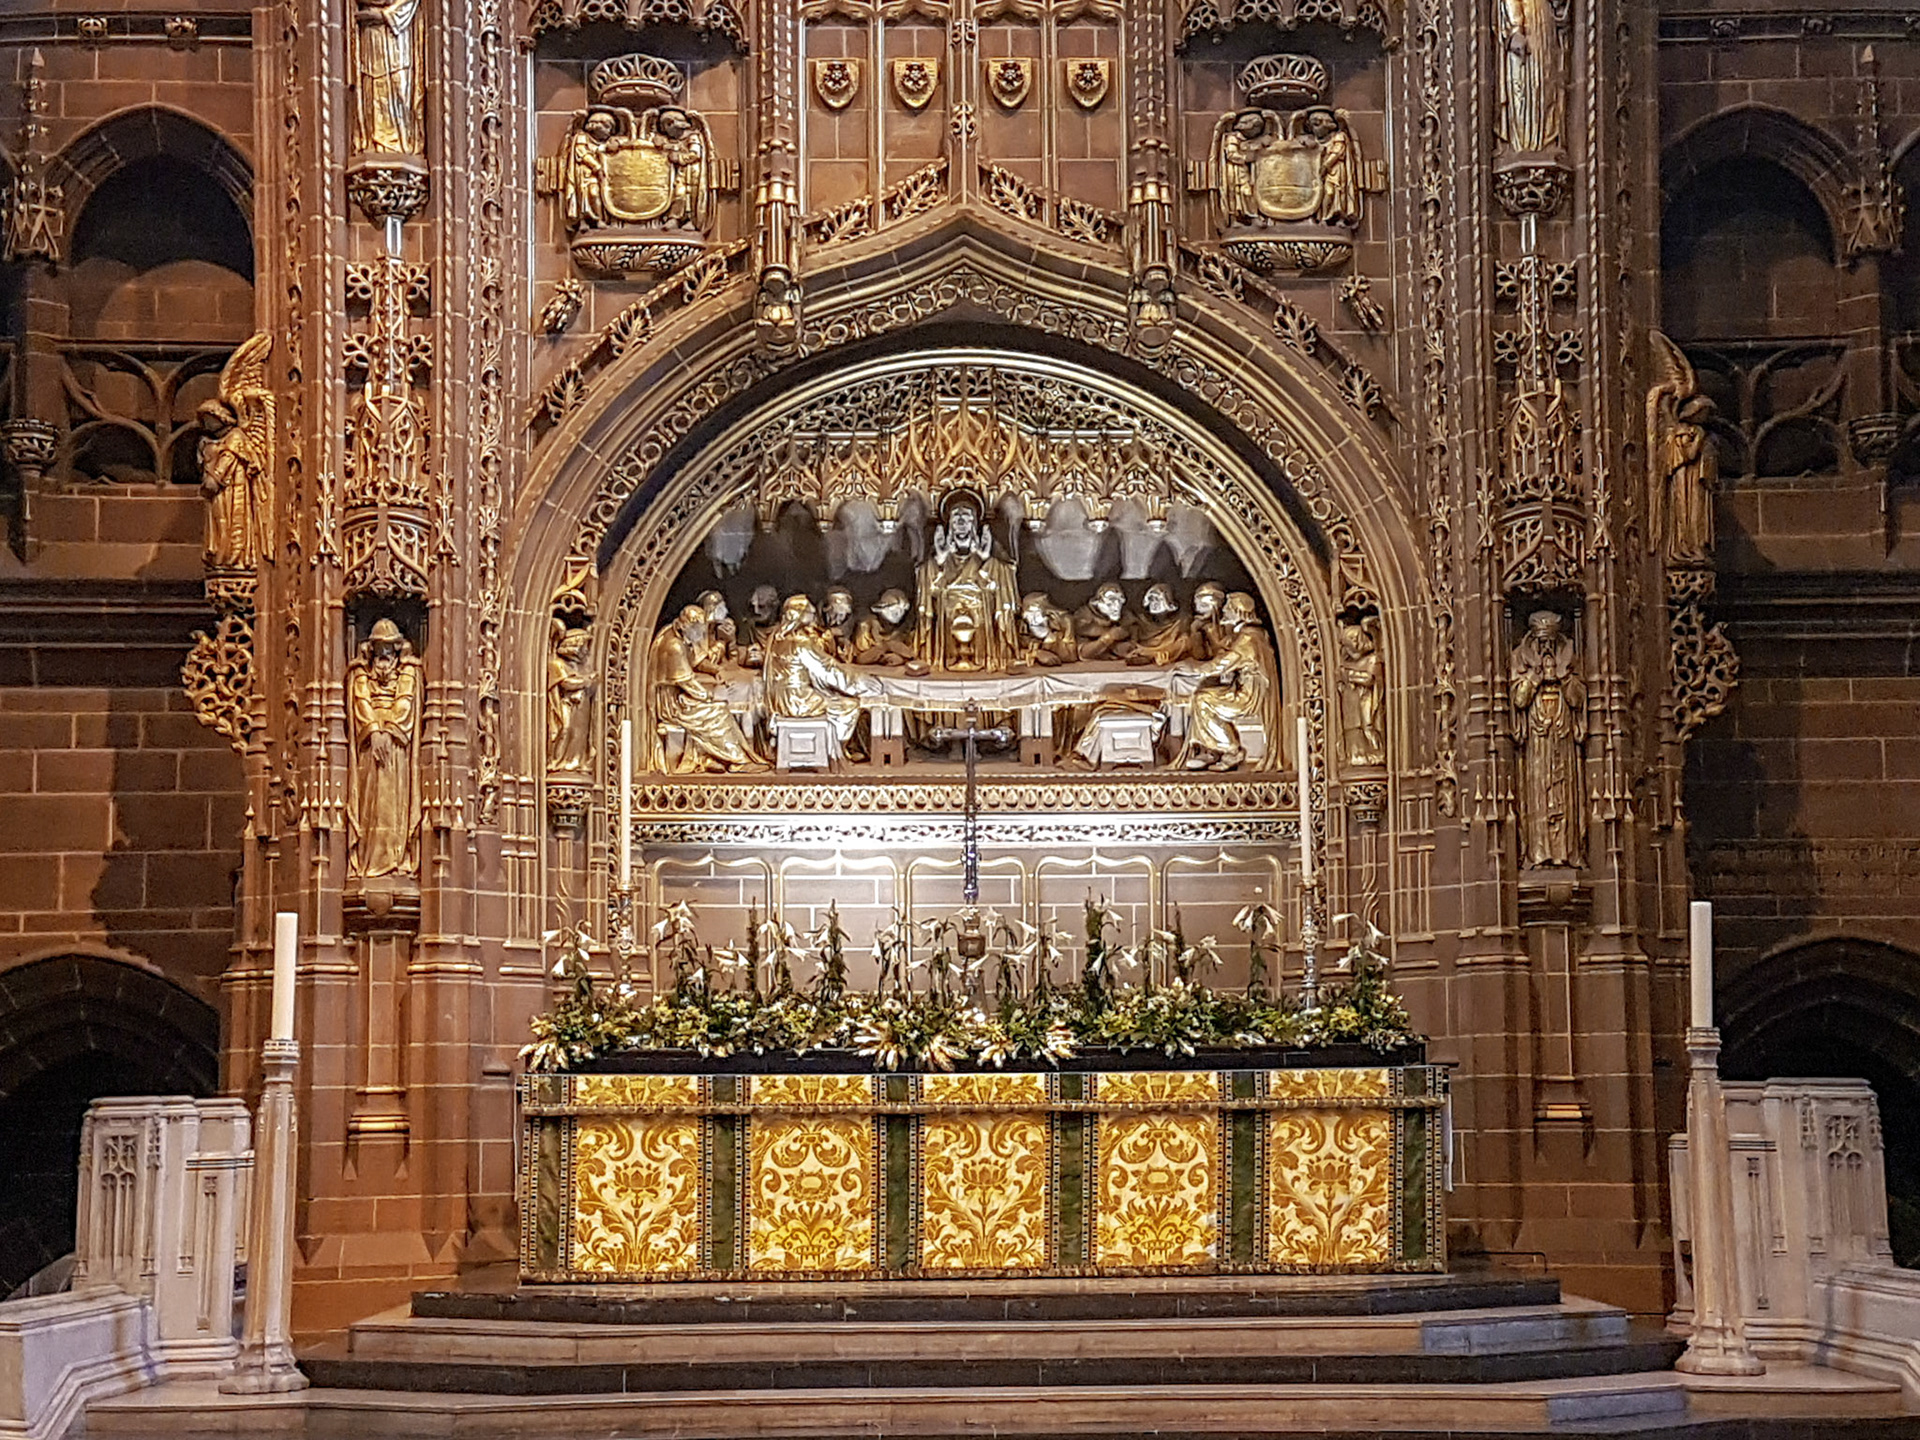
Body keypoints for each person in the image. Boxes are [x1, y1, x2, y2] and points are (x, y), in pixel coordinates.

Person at [347, 619, 424, 878]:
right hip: (370, 745)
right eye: (379, 649)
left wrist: (388, 730)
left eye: (388, 649)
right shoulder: (360, 672)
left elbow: (406, 701)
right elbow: (360, 701)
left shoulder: (409, 671)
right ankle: (369, 859)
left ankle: (395, 858)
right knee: (371, 803)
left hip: (397, 745)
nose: (383, 656)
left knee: (394, 803)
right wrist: (373, 731)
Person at [1510, 610, 1586, 868]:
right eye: (1541, 644)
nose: (1546, 650)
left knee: (1564, 797)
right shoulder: (1522, 666)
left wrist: (1562, 676)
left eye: (1551, 644)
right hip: (1538, 747)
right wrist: (1535, 677)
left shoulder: (1569, 667)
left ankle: (1565, 852)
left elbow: (1578, 699)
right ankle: (1539, 853)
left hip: (1562, 741)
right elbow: (1519, 700)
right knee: (1540, 798)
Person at [650, 606, 764, 773]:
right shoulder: (675, 646)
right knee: (717, 712)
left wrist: (716, 670)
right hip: (672, 704)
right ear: (684, 625)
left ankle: (711, 757)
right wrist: (709, 696)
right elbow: (687, 682)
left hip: (682, 696)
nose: (702, 633)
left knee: (719, 709)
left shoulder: (683, 637)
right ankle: (736, 759)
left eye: (703, 628)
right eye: (698, 628)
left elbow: (696, 661)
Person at [1173, 592, 1279, 772]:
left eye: (1228, 609)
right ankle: (1211, 749)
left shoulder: (1249, 639)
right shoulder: (1248, 634)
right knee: (1203, 695)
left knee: (1202, 700)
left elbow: (1224, 663)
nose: (1224, 612)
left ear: (1239, 612)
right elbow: (1225, 651)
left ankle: (1230, 749)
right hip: (1243, 688)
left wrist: (1196, 671)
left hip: (1249, 696)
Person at [763, 595, 879, 758]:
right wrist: (858, 683)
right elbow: (826, 669)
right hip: (798, 700)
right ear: (800, 614)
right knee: (849, 707)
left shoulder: (776, 638)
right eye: (808, 610)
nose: (813, 612)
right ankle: (831, 751)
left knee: (833, 698)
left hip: (780, 698)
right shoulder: (801, 642)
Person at [915, 492, 1019, 672]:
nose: (961, 524)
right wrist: (939, 559)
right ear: (950, 524)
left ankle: (985, 661)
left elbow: (1007, 572)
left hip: (980, 606)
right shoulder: (940, 550)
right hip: (948, 608)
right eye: (956, 518)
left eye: (966, 518)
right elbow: (926, 579)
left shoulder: (988, 547)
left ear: (974, 523)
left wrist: (986, 558)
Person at [546, 621, 595, 773]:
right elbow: (566, 683)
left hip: (581, 705)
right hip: (566, 705)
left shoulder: (580, 666)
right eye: (583, 646)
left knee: (580, 734)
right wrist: (585, 681)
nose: (585, 650)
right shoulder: (557, 664)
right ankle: (559, 761)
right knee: (565, 729)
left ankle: (576, 760)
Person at [1126, 583, 1199, 665]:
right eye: (1151, 600)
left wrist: (1157, 654)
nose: (1154, 604)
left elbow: (1185, 644)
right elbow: (1132, 645)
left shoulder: (1180, 623)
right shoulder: (1142, 624)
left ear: (1168, 601)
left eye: (1158, 599)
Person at [851, 589, 916, 666]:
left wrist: (902, 659)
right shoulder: (867, 626)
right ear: (881, 609)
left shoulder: (906, 629)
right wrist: (887, 647)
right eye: (893, 610)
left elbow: (912, 655)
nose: (898, 614)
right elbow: (861, 659)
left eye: (902, 610)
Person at [1074, 582, 1132, 661]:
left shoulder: (1127, 618)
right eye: (1110, 601)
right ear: (1097, 603)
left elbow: (1131, 647)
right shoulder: (1085, 619)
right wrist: (1109, 637)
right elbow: (1084, 653)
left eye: (1119, 600)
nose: (1116, 607)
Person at [1019, 592, 1078, 666]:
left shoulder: (1064, 625)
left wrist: (1049, 638)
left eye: (1037, 614)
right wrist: (1037, 653)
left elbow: (1069, 655)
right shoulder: (1024, 633)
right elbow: (1016, 651)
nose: (1034, 620)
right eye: (1030, 615)